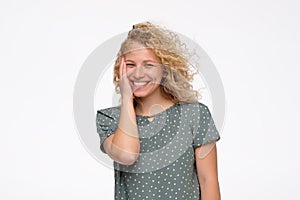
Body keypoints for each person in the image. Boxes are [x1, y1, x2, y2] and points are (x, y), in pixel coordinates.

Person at [96, 22, 221, 200]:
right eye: (131, 65)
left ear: (164, 69)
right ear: (121, 69)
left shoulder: (196, 114)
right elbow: (127, 155)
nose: (138, 74)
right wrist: (126, 99)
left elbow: (208, 181)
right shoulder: (109, 119)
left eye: (148, 65)